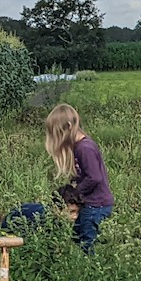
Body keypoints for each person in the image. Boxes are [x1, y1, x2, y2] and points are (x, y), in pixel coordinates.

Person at [44, 103, 113, 250]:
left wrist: (74, 194)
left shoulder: (85, 148)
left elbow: (94, 177)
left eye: (58, 133)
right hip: (89, 205)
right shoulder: (78, 147)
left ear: (69, 126)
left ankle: (91, 270)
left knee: (87, 245)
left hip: (96, 205)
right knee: (77, 240)